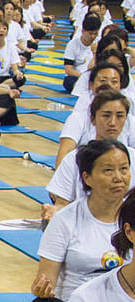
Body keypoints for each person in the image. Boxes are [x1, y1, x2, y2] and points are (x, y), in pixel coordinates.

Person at [31, 138, 131, 302]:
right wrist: (42, 288)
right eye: (108, 170)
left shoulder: (132, 216)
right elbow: (45, 279)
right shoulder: (65, 219)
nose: (118, 177)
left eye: (124, 169)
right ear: (87, 177)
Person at [45, 91, 135, 220]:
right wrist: (53, 211)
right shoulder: (74, 159)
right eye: (106, 115)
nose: (113, 122)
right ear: (93, 119)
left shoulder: (133, 156)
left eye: (120, 116)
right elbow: (62, 204)